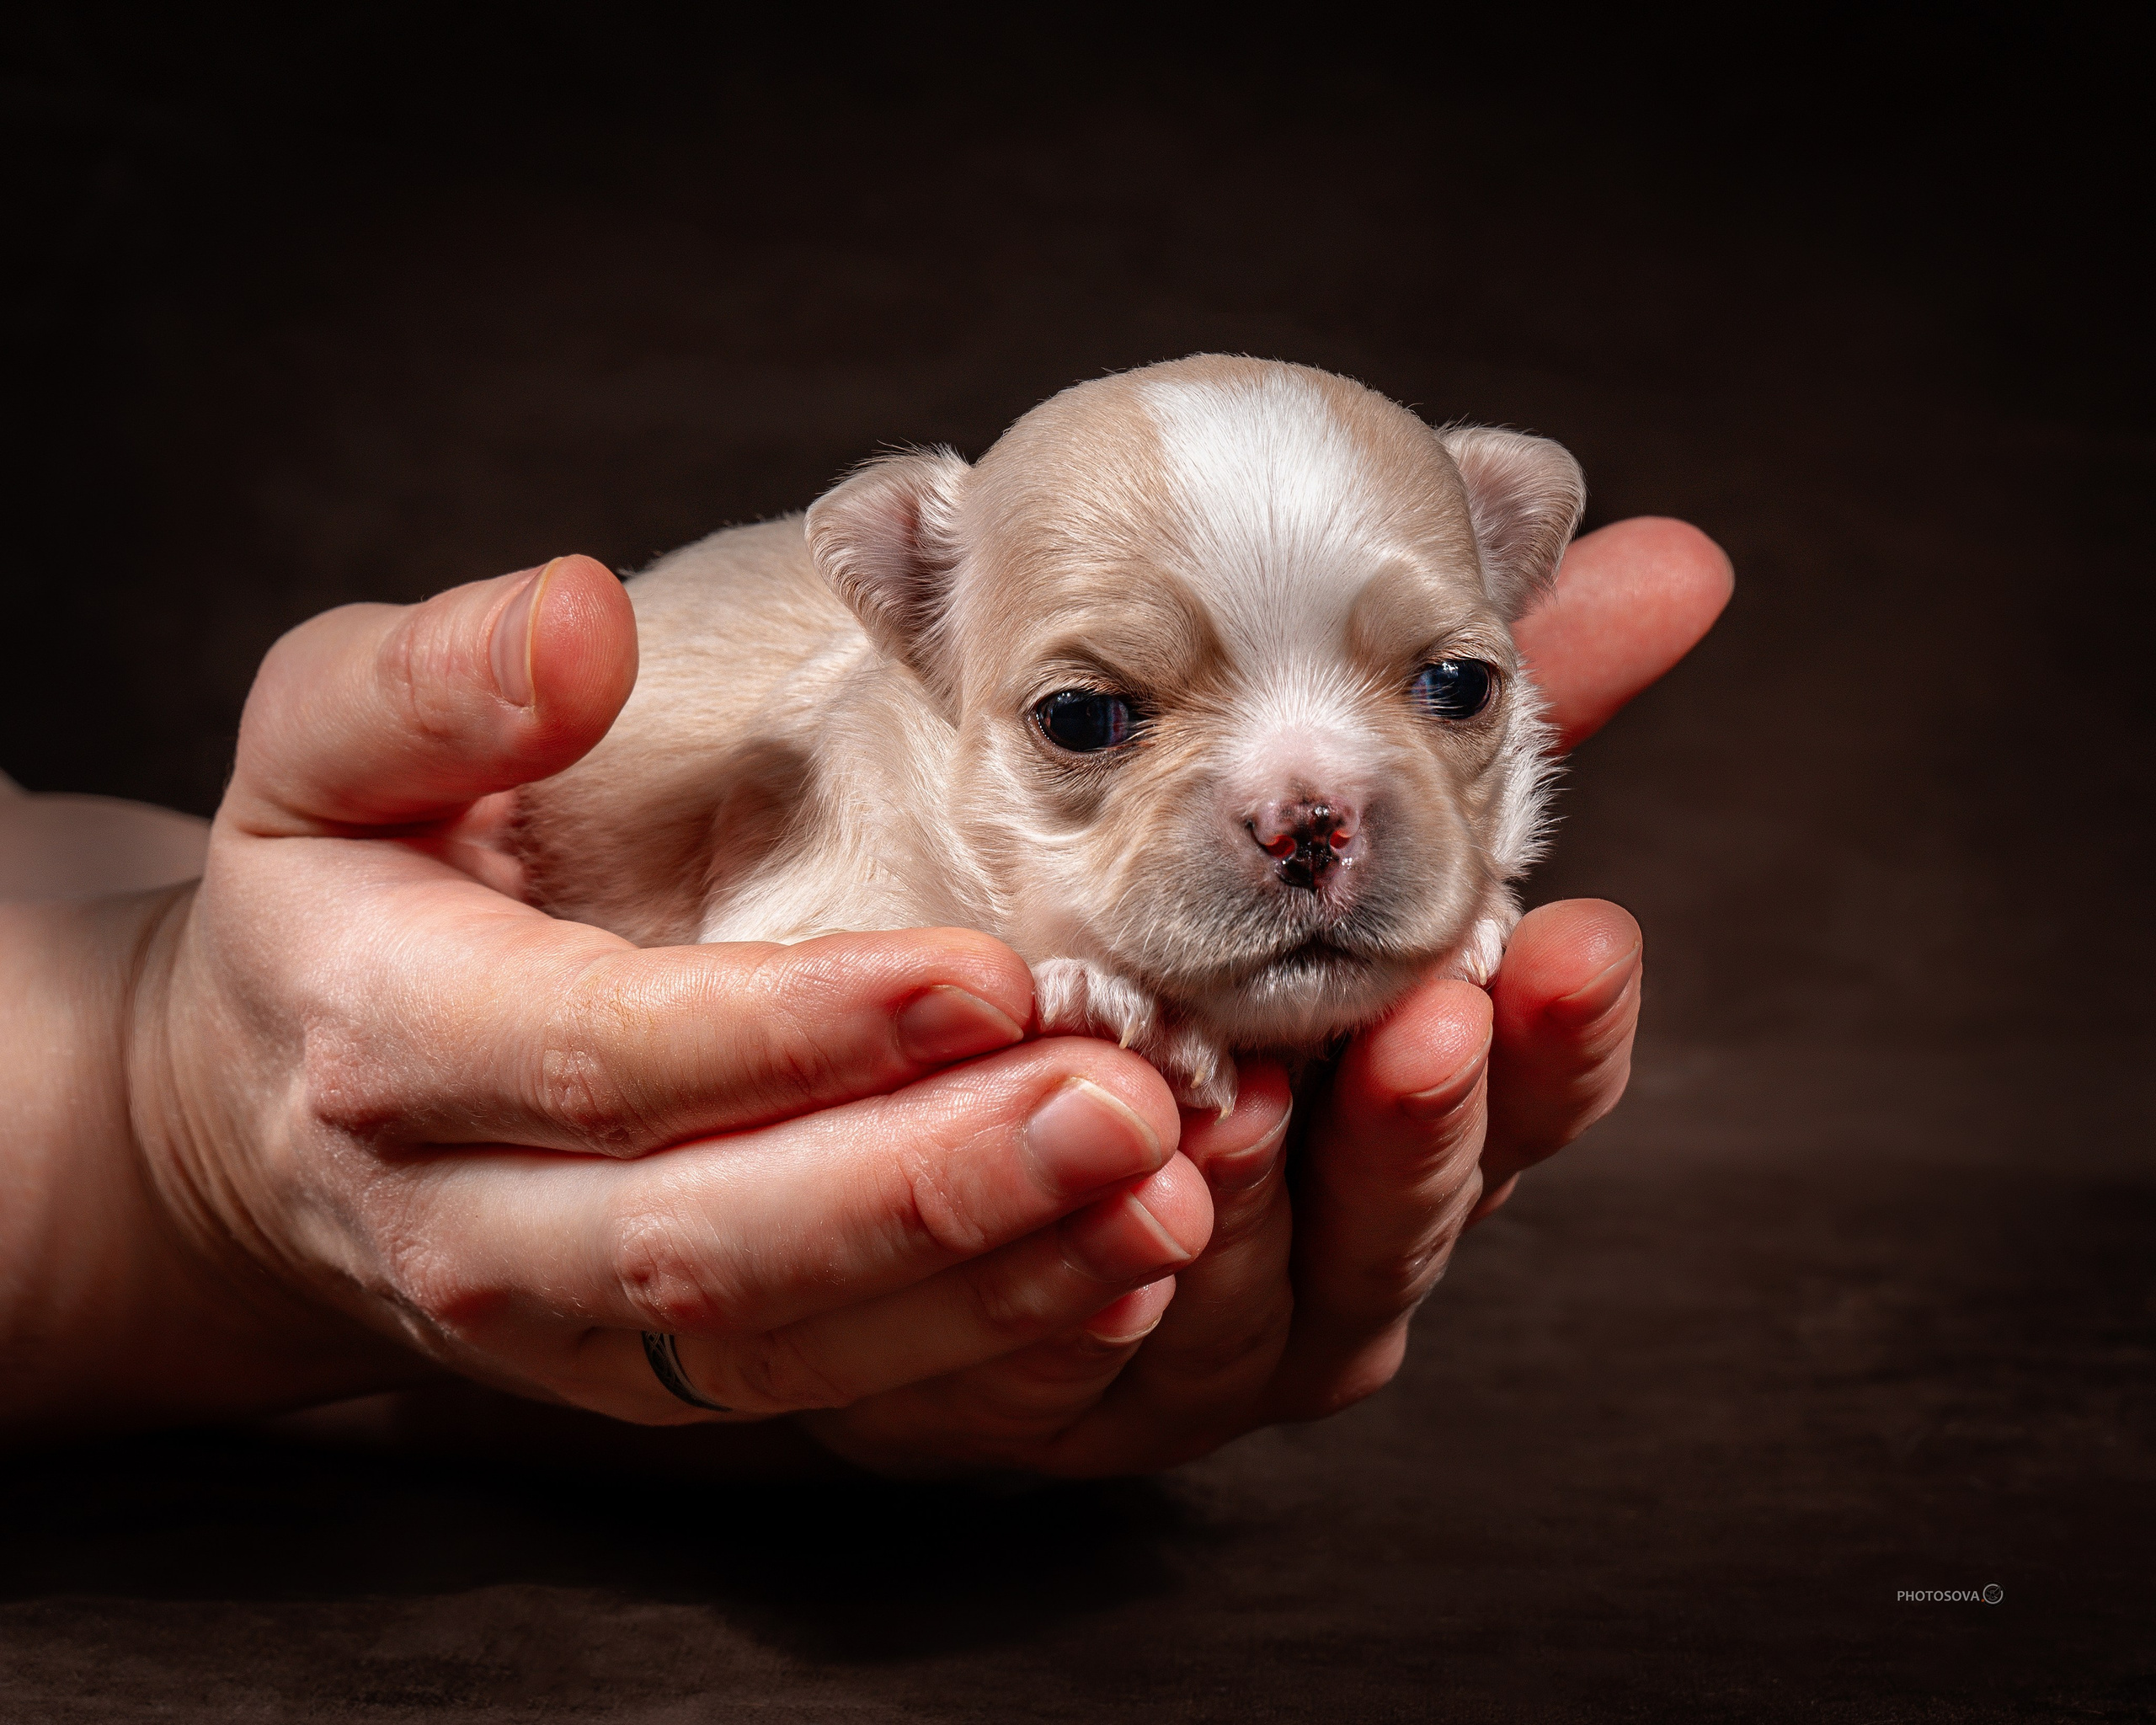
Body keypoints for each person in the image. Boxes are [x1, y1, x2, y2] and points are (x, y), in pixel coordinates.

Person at [0, 518, 1729, 1477]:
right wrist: (159, 1137)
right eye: (1090, 717)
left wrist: (174, 971)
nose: (1298, 809)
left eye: (1438, 686)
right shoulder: (854, 759)